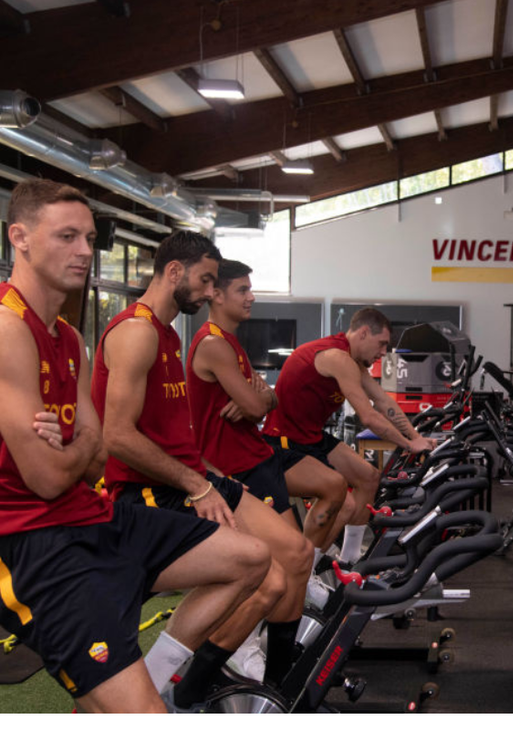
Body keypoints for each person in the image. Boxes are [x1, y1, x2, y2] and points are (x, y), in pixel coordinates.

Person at [0, 179, 268, 712]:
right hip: (37, 544)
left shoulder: (71, 338)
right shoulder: (8, 330)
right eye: (67, 236)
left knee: (251, 556)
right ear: (20, 238)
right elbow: (51, 476)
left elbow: (96, 450)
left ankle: (147, 678)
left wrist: (73, 446)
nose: (84, 251)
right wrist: (78, 449)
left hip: (95, 517)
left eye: (90, 238)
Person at [91, 231, 312, 706]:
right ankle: (159, 688)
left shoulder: (169, 333)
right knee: (268, 573)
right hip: (151, 490)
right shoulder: (137, 331)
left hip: (193, 476)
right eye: (207, 280)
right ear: (175, 271)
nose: (212, 291)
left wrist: (210, 473)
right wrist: (197, 484)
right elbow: (118, 435)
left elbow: (177, 435)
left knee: (293, 556)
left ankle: (269, 693)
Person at [187, 259, 348, 553]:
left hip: (260, 451)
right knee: (292, 551)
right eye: (243, 290)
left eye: (250, 290)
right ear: (218, 295)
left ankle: (306, 578)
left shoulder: (231, 341)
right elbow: (257, 407)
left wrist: (259, 397)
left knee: (335, 485)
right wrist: (256, 399)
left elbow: (269, 400)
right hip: (238, 465)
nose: (251, 297)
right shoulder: (213, 344)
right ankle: (303, 579)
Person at [261, 307, 437, 564]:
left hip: (310, 437)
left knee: (369, 477)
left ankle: (350, 560)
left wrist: (416, 436)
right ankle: (304, 572)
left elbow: (382, 399)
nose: (384, 352)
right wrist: (409, 445)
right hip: (284, 443)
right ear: (364, 333)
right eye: (382, 344)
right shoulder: (337, 358)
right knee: (345, 503)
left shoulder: (351, 361)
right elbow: (368, 416)